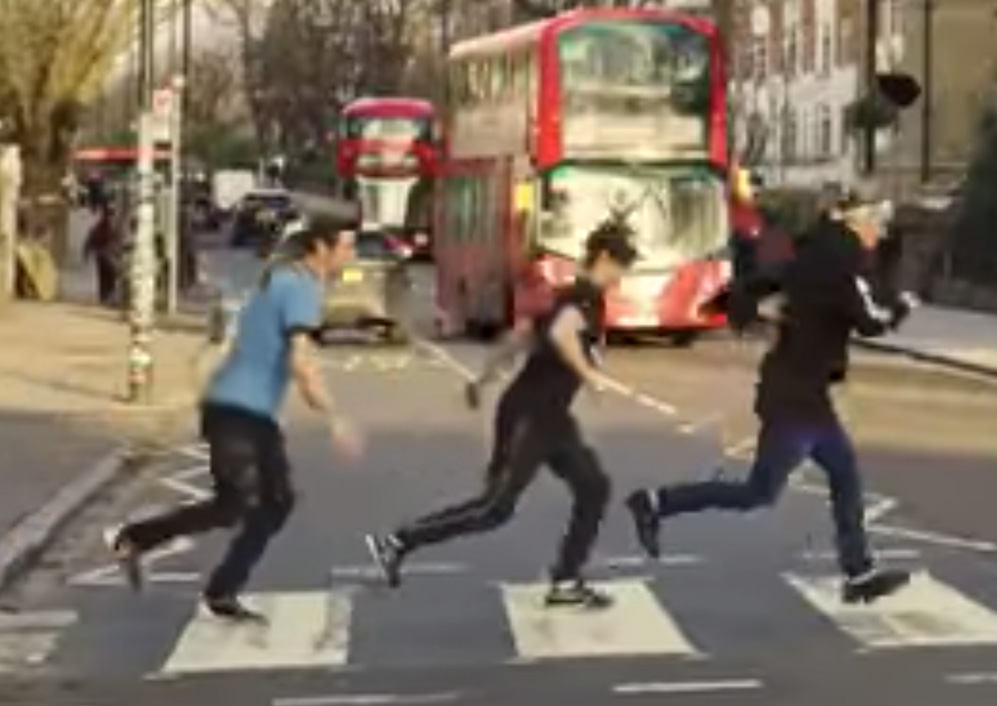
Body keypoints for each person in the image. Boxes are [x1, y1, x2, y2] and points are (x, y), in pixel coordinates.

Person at [621, 190, 913, 606]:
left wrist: (750, 308)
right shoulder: (839, 271)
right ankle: (654, 503)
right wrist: (900, 308)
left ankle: (858, 572)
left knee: (843, 476)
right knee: (759, 494)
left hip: (798, 392)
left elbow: (757, 283)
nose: (879, 232)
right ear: (855, 223)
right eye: (875, 222)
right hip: (796, 400)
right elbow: (870, 326)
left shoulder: (813, 259)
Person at [364, 219, 641, 609]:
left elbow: (518, 339)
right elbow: (563, 334)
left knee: (594, 487)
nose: (621, 278)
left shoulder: (566, 296)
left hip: (553, 419)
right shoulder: (581, 297)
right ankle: (398, 542)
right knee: (494, 508)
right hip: (528, 415)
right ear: (605, 259)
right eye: (621, 268)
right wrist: (590, 377)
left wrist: (482, 379)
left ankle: (566, 579)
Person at [105, 213, 364, 622]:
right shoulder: (300, 287)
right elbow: (301, 360)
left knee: (274, 502)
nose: (352, 254)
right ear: (321, 248)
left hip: (251, 413)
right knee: (237, 504)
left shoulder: (287, 279)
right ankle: (137, 539)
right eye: (347, 246)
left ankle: (222, 588)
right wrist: (334, 418)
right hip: (235, 410)